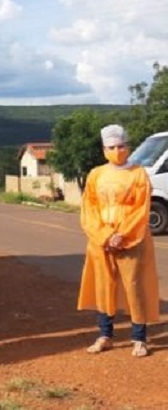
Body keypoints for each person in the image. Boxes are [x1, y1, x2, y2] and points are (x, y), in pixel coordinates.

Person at [79, 124, 159, 357]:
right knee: (104, 285)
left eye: (121, 146)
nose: (117, 150)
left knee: (134, 285)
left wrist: (121, 235)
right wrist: (104, 236)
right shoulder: (96, 174)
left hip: (132, 239)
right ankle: (105, 335)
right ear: (104, 149)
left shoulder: (138, 174)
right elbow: (89, 208)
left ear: (128, 146)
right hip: (101, 239)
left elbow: (140, 209)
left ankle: (139, 339)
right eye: (111, 147)